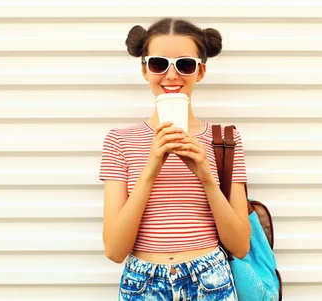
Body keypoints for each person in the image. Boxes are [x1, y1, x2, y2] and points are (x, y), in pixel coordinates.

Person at [98, 17, 251, 301]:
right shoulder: (119, 141)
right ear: (144, 70)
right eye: (158, 63)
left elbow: (240, 246)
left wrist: (205, 174)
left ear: (200, 71)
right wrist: (151, 167)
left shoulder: (226, 140)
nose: (171, 75)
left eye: (185, 64)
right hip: (141, 284)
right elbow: (114, 251)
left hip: (211, 280)